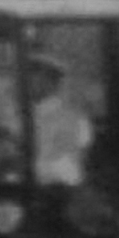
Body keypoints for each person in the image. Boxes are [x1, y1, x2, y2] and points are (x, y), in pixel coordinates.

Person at [29, 52, 93, 186]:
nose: (28, 84)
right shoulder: (26, 113)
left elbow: (73, 166)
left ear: (51, 83)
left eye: (33, 78)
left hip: (56, 189)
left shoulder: (72, 117)